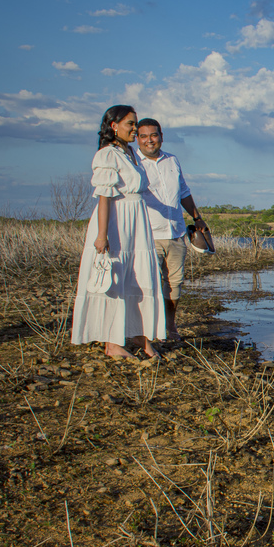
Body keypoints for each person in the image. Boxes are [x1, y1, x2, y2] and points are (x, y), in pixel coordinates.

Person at [70, 105, 166, 359]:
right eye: (130, 124)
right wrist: (102, 234)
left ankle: (139, 336)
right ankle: (113, 343)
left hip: (137, 221)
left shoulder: (131, 153)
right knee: (117, 280)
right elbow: (104, 196)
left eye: (135, 124)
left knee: (137, 278)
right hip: (116, 220)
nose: (135, 129)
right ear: (114, 126)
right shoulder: (107, 154)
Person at [134, 117, 208, 342]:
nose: (149, 141)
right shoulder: (132, 163)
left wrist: (197, 218)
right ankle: (147, 332)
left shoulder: (172, 160)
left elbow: (184, 192)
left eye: (154, 135)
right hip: (148, 235)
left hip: (175, 235)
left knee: (174, 286)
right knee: (150, 285)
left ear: (161, 137)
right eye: (144, 136)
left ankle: (170, 326)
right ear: (137, 138)